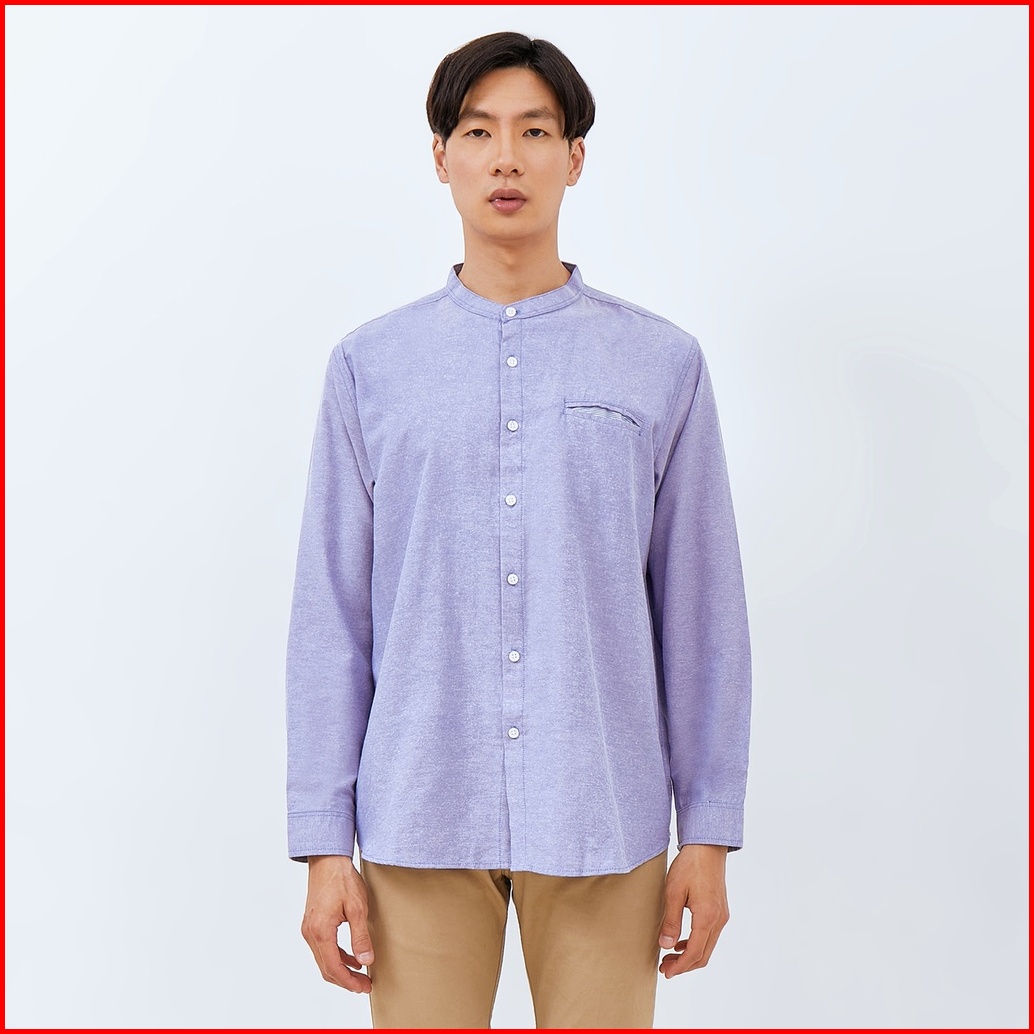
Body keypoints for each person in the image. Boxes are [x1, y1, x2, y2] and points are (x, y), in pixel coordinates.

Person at [285, 30, 752, 1029]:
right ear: (440, 157)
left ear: (574, 157)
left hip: (603, 817)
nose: (506, 158)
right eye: (478, 131)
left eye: (534, 132)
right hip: (417, 811)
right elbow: (332, 618)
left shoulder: (659, 364)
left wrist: (707, 831)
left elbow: (701, 613)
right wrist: (324, 843)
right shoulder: (370, 367)